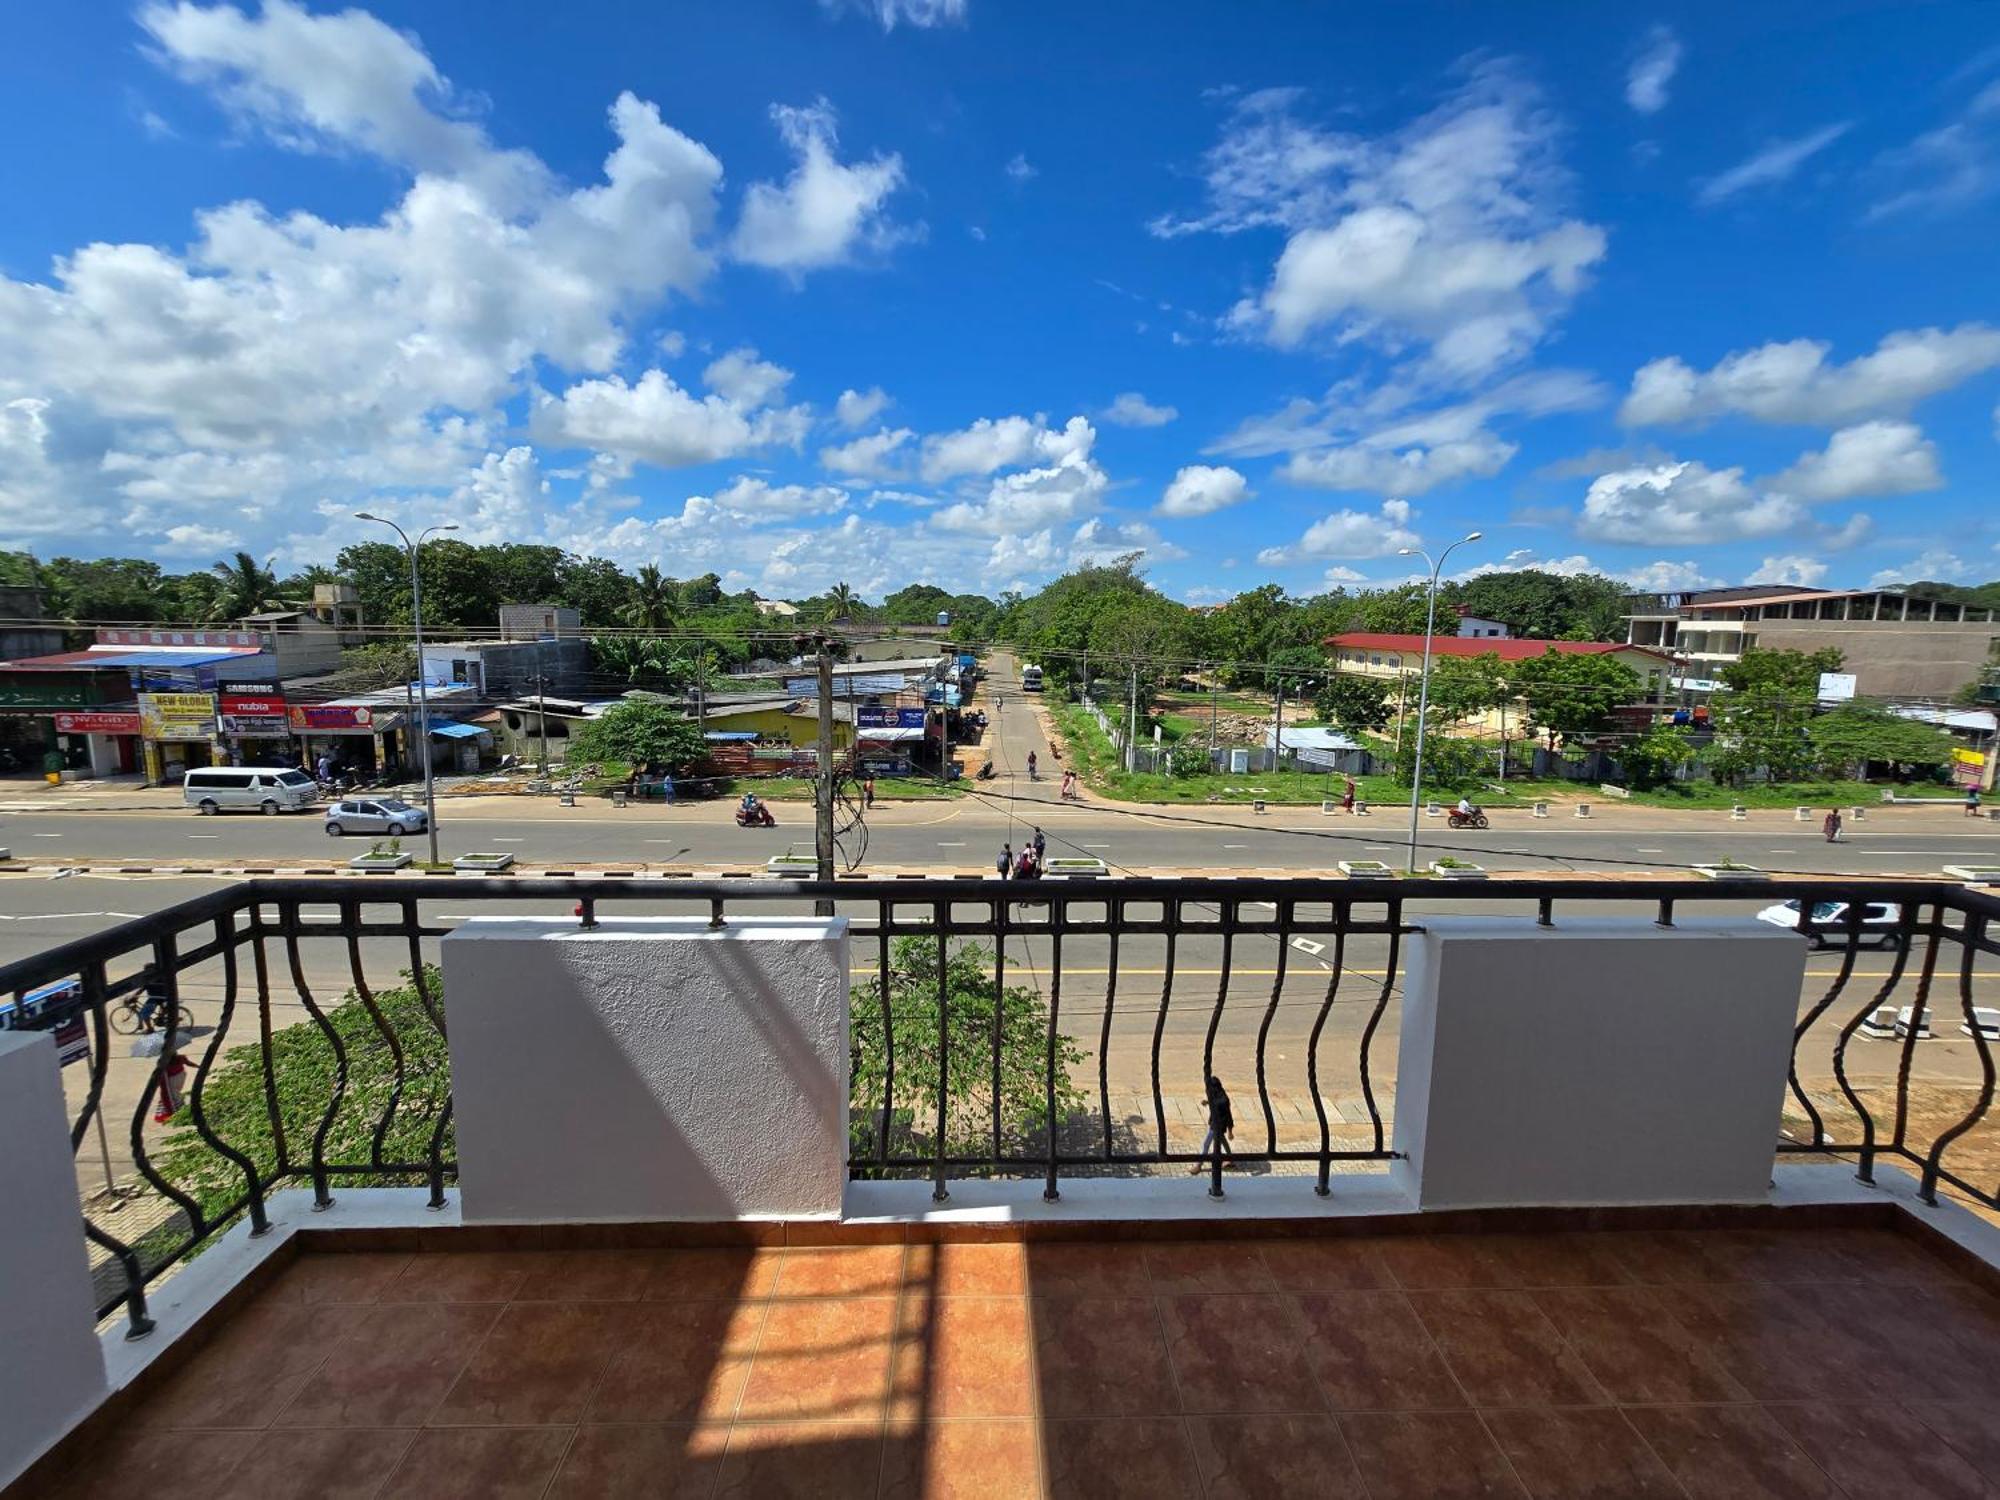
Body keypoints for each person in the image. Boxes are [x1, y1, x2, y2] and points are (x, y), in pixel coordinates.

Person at [1190, 1073, 1235, 1176]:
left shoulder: (1223, 1100)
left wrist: (1230, 1131)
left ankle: (1199, 1165)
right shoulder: (1216, 1095)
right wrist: (1207, 1102)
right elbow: (1214, 1102)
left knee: (1206, 1144)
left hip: (1218, 1125)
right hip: (1215, 1123)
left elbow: (1228, 1115)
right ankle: (1230, 1158)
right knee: (1222, 1140)